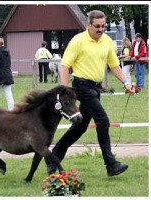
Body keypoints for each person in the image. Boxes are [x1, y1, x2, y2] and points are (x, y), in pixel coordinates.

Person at [47, 10, 135, 177]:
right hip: (81, 85)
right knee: (103, 120)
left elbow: (114, 65)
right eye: (97, 26)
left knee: (79, 127)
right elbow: (65, 65)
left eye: (103, 26)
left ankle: (53, 158)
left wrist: (126, 83)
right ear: (89, 25)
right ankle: (111, 164)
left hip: (95, 88)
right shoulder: (78, 40)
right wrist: (64, 90)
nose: (101, 29)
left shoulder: (107, 41)